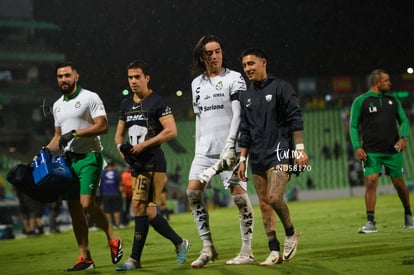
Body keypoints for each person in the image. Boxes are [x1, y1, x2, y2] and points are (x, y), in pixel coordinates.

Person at [45, 62, 123, 271]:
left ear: (76, 77)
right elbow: (58, 136)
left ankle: (113, 238)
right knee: (74, 209)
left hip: (90, 157)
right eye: (60, 76)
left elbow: (103, 126)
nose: (63, 79)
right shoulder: (57, 105)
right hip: (68, 161)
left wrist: (76, 133)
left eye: (67, 75)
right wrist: (46, 151)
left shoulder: (90, 97)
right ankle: (85, 258)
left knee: (86, 203)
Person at [114, 60, 190, 270]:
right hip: (137, 164)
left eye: (137, 77)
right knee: (147, 211)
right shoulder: (125, 105)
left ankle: (134, 259)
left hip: (153, 162)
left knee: (141, 208)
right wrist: (122, 150)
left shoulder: (157, 102)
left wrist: (144, 145)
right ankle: (179, 243)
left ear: (147, 78)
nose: (133, 81)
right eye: (130, 77)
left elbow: (171, 131)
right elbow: (118, 135)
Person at [187, 34, 255, 268]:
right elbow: (199, 117)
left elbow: (238, 113)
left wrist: (230, 144)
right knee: (193, 193)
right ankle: (207, 248)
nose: (214, 56)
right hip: (204, 151)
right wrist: (198, 147)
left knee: (239, 198)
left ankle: (247, 250)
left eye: (217, 51)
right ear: (202, 56)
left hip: (231, 149)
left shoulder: (235, 78)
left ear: (222, 53)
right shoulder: (196, 84)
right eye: (209, 53)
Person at [238, 48, 307, 265]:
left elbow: (295, 118)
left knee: (274, 197)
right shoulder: (246, 96)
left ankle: (291, 233)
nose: (248, 68)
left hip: (280, 152)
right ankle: (274, 250)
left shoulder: (281, 87)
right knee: (265, 205)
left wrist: (300, 148)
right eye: (245, 65)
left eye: (251, 64)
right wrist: (242, 159)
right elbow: (245, 130)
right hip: (257, 155)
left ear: (263, 63)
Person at [349, 69, 414, 233]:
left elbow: (404, 120)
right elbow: (353, 126)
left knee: (399, 184)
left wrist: (404, 137)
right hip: (371, 151)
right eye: (386, 80)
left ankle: (408, 215)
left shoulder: (393, 100)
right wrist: (357, 147)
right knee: (371, 181)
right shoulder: (361, 101)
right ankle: (370, 222)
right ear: (377, 82)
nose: (389, 83)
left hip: (393, 150)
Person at [100, 159, 122, 228]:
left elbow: (100, 184)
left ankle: (108, 226)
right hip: (115, 193)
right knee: (116, 210)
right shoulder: (117, 173)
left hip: (106, 194)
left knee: (107, 210)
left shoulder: (103, 173)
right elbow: (120, 185)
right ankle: (117, 225)